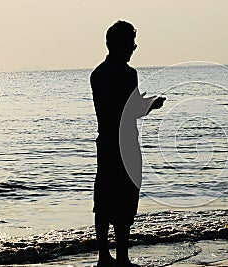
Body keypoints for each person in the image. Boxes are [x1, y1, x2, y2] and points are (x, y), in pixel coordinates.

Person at [90, 20, 165, 267]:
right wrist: (151, 104)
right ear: (122, 45)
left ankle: (104, 256)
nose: (134, 47)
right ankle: (122, 257)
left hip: (106, 142)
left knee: (103, 199)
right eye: (131, 42)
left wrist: (138, 104)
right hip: (126, 144)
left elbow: (113, 109)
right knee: (125, 199)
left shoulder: (98, 74)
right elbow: (129, 111)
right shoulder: (127, 73)